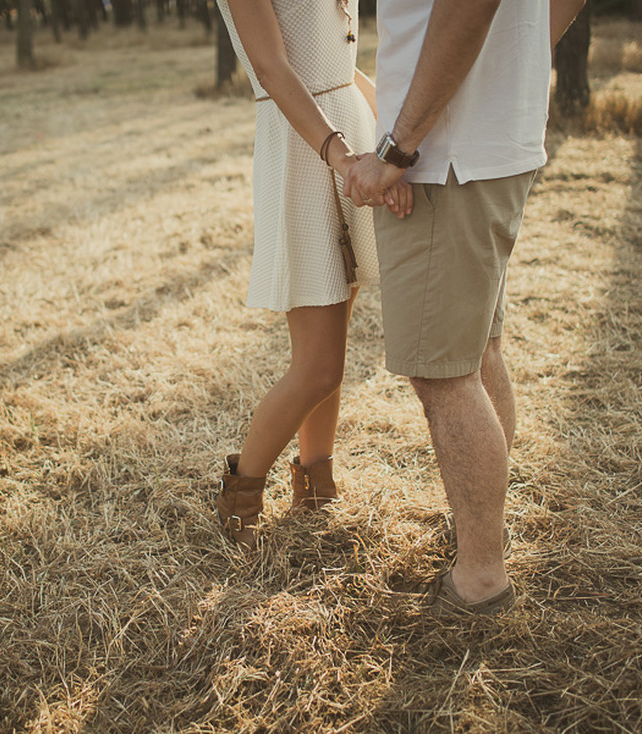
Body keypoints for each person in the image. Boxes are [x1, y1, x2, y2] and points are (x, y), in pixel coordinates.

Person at [344, 0, 586, 614]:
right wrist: (520, 62)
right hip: (491, 139)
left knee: (443, 372)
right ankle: (482, 540)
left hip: (444, 154)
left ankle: (480, 577)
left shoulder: (423, 147)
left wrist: (398, 148)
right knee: (477, 355)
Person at [213, 0, 413, 548]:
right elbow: (274, 69)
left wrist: (391, 150)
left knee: (333, 352)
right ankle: (241, 494)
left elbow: (342, 73)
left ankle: (316, 483)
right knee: (318, 366)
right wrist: (342, 156)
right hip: (305, 151)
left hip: (349, 138)